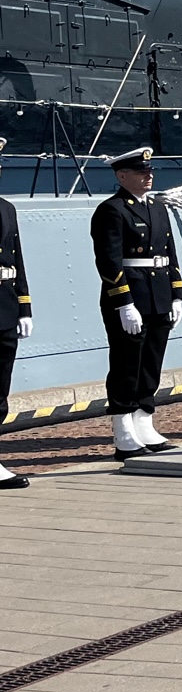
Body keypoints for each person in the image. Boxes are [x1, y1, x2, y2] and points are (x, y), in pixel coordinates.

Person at [91, 146, 182, 459]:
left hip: (158, 295)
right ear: (122, 176)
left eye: (150, 171)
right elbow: (109, 261)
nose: (149, 176)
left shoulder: (157, 208)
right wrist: (124, 303)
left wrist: (177, 293)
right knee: (126, 365)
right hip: (132, 296)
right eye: (141, 172)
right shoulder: (113, 210)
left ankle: (144, 421)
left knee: (151, 364)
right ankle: (123, 431)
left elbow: (170, 255)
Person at [0, 135, 30, 489]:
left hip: (5, 307)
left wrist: (25, 305)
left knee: (0, 387)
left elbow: (16, 261)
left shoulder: (7, 207)